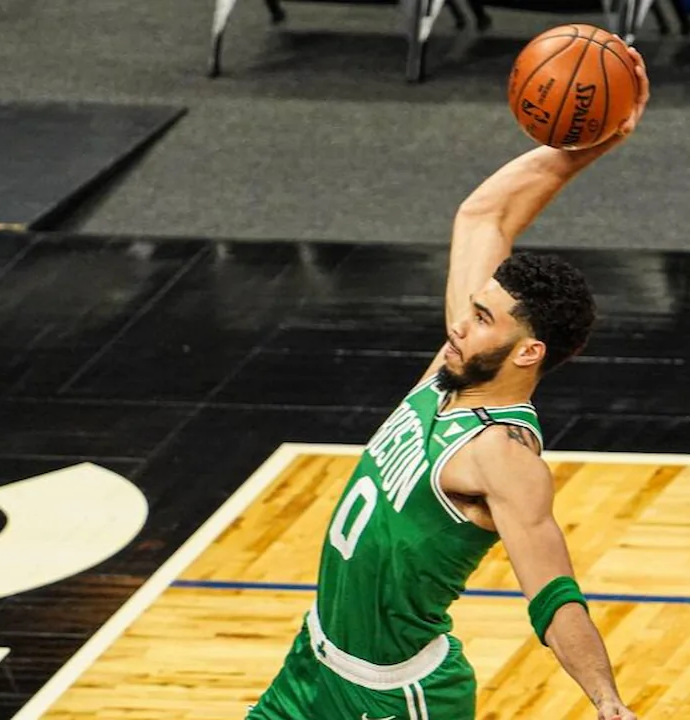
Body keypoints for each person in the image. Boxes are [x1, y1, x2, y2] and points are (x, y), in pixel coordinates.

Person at [246, 46, 651, 720]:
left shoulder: (502, 459)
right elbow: (483, 217)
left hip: (395, 700)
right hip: (312, 666)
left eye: (484, 316)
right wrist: (597, 141)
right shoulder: (456, 362)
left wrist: (606, 701)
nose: (461, 321)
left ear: (529, 352)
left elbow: (554, 594)